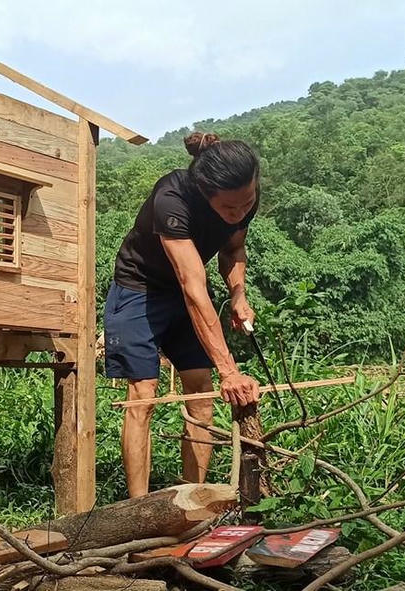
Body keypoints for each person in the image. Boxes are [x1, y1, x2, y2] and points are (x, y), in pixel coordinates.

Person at [105, 131, 263, 498]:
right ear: (205, 193)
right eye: (229, 208)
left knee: (202, 394)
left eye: (247, 203)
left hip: (186, 292)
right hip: (139, 289)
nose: (240, 213)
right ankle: (138, 509)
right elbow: (193, 287)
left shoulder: (242, 198)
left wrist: (238, 293)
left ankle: (194, 501)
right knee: (143, 394)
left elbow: (233, 251)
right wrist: (229, 371)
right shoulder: (171, 199)